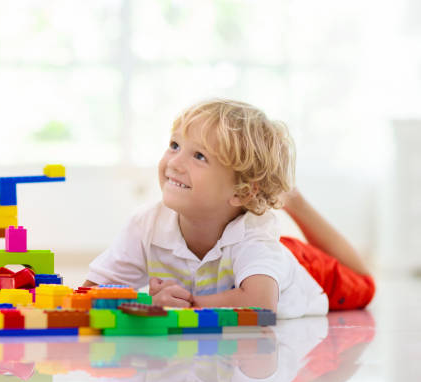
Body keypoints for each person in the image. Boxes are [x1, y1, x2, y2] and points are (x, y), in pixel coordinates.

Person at [83, 98, 375, 318]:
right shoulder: (146, 224)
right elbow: (91, 292)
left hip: (301, 269)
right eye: (174, 145)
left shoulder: (258, 241)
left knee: (363, 284)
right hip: (245, 255)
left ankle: (294, 200)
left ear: (243, 191)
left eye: (199, 156)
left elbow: (261, 304)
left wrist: (183, 305)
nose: (174, 163)